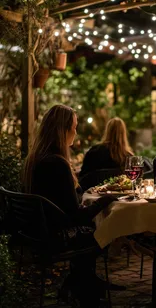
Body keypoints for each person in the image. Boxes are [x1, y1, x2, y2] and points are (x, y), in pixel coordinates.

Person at [23, 105, 119, 307]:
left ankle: (83, 283)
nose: (76, 131)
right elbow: (76, 216)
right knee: (106, 229)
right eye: (74, 127)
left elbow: (62, 202)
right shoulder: (58, 164)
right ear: (63, 130)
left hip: (37, 232)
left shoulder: (35, 159)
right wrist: (107, 198)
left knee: (93, 229)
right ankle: (82, 287)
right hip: (56, 236)